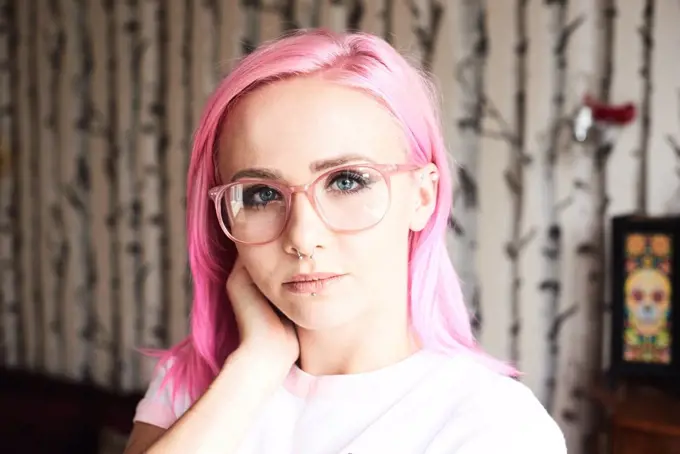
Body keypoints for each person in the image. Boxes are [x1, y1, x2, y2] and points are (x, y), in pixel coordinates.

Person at [124, 29, 566, 454]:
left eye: (347, 182)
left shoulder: (497, 428)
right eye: (262, 194)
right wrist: (258, 363)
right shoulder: (195, 380)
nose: (302, 237)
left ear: (423, 197)